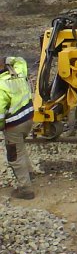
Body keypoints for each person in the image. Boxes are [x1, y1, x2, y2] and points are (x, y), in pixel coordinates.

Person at [0, 56, 35, 199]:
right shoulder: (19, 71)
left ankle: (25, 190)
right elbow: (21, 60)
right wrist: (9, 58)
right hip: (28, 119)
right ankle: (29, 174)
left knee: (14, 156)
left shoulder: (1, 86)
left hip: (14, 125)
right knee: (21, 149)